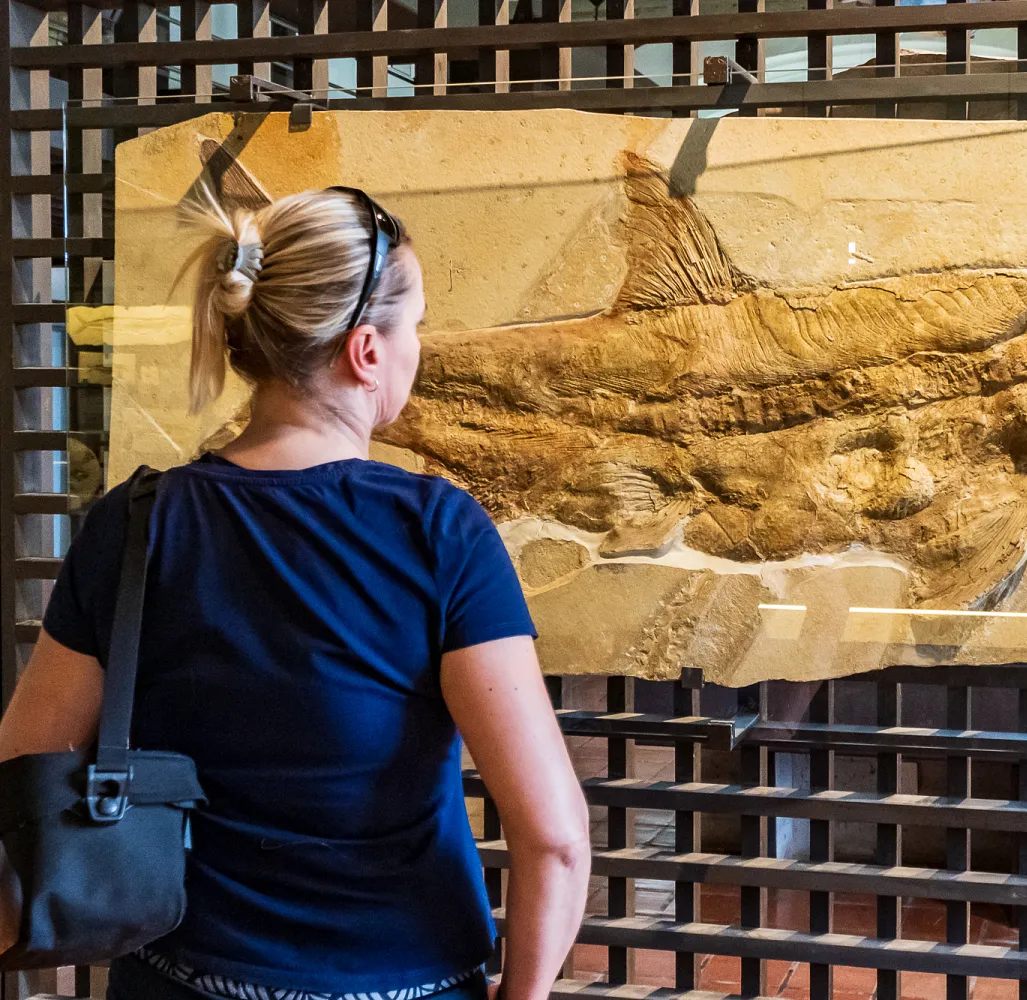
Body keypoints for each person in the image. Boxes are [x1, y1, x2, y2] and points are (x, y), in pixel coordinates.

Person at [0, 184, 591, 1000]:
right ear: (367, 351)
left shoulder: (133, 525)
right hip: (403, 976)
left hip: (178, 976)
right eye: (412, 326)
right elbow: (554, 839)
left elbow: (26, 761)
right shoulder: (440, 533)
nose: (416, 347)